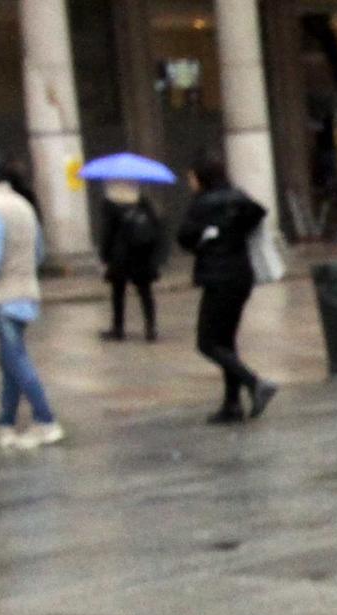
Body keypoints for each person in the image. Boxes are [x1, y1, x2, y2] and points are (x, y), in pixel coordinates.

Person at [0, 157, 61, 451]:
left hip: (2, 295)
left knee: (16, 360)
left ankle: (46, 421)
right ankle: (5, 424)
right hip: (24, 291)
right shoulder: (23, 206)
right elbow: (39, 252)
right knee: (10, 361)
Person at [176, 154, 278, 424]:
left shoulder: (202, 203)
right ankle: (232, 405)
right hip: (240, 275)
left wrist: (208, 238)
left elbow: (184, 238)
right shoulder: (237, 197)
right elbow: (258, 213)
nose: (190, 182)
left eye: (191, 177)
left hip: (217, 277)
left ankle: (255, 383)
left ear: (201, 177)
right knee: (226, 342)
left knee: (207, 343)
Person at [96, 181, 163, 342]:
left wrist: (104, 256)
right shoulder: (143, 202)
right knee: (145, 292)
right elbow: (155, 227)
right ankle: (150, 327)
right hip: (141, 253)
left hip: (121, 255)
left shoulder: (111, 204)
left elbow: (108, 233)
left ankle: (118, 328)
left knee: (118, 293)